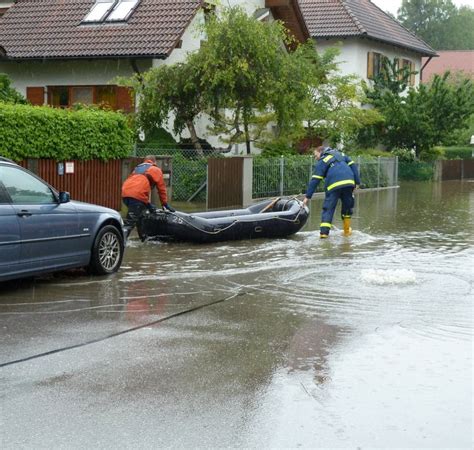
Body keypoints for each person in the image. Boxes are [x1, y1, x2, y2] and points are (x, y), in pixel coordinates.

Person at [303, 146, 360, 238]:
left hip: (333, 186)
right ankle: (346, 232)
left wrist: (307, 197)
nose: (315, 158)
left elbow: (315, 180)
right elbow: (353, 166)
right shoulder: (342, 155)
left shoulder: (323, 160)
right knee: (347, 207)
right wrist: (357, 182)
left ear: (321, 152)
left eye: (315, 155)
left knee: (328, 209)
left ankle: (324, 234)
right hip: (349, 184)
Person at [121, 155, 175, 238]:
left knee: (140, 216)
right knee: (130, 223)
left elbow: (138, 188)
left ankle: (143, 239)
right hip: (136, 196)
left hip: (125, 193)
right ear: (154, 162)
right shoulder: (156, 170)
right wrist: (165, 204)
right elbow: (162, 189)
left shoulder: (138, 168)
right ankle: (119, 244)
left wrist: (147, 204)